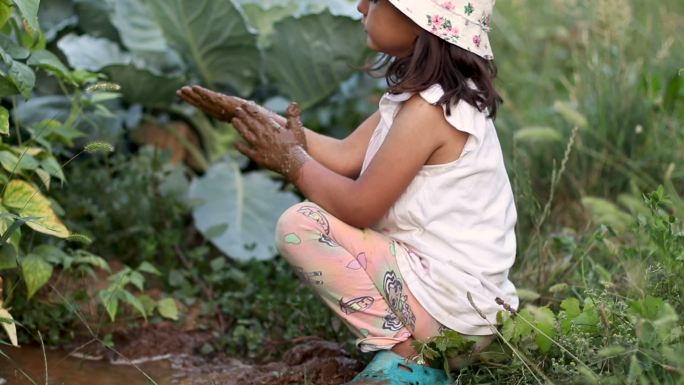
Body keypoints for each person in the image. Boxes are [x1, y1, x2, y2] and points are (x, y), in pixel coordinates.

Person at [177, 0, 518, 383]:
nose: (359, 5)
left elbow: (359, 207)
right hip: (458, 307)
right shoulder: (431, 100)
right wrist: (253, 116)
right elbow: (343, 156)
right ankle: (409, 351)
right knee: (309, 220)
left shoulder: (430, 112)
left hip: (452, 318)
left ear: (418, 19)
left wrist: (291, 162)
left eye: (374, 0)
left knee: (302, 225)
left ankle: (414, 360)